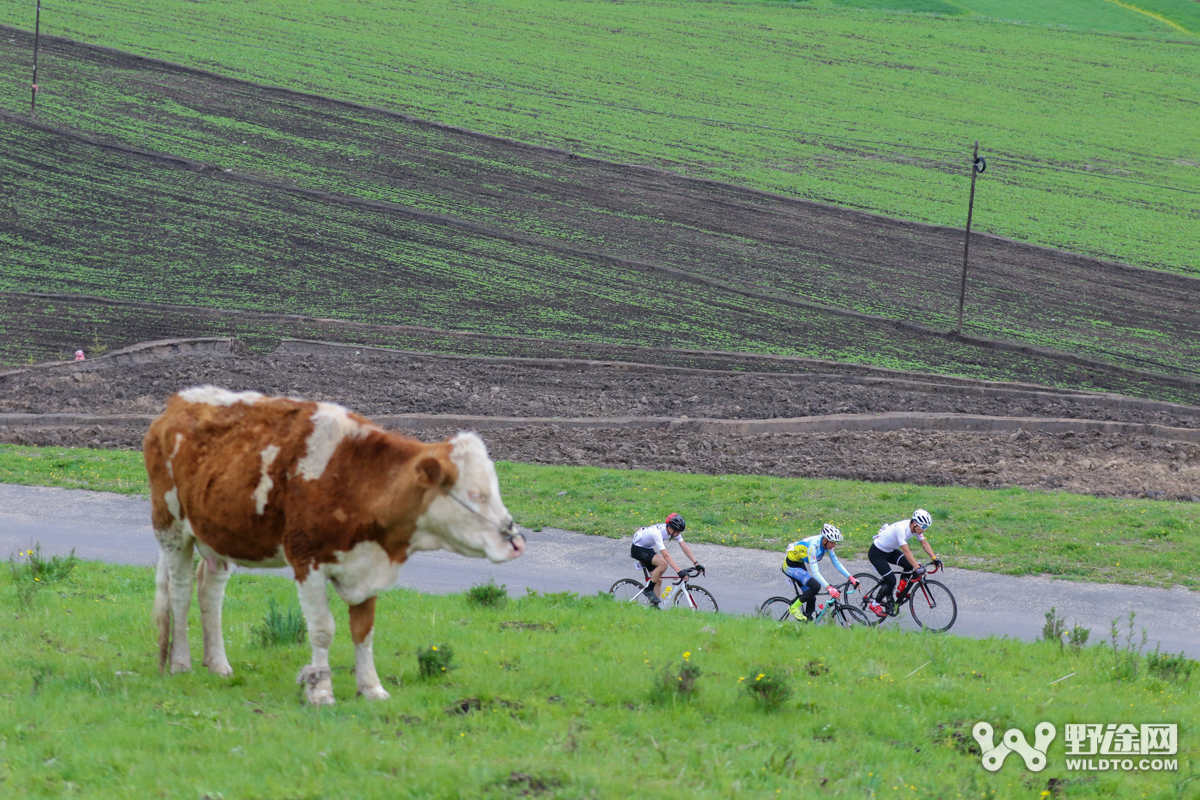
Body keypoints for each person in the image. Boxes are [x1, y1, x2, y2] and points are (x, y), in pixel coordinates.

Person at [867, 508, 942, 618]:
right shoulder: (901, 529)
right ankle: (875, 604)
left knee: (908, 565)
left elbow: (924, 543)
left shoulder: (916, 528)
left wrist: (934, 558)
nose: (924, 530)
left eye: (926, 527)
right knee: (891, 580)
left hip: (889, 551)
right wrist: (917, 567)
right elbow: (906, 551)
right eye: (924, 527)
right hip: (877, 554)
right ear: (915, 523)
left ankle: (899, 591)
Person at [781, 523, 857, 621]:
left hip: (799, 564)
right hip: (790, 566)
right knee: (815, 586)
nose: (834, 545)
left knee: (811, 597)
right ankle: (793, 608)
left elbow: (836, 563)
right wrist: (829, 588)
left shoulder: (827, 545)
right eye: (833, 542)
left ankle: (807, 623)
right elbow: (815, 571)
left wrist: (851, 578)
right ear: (825, 540)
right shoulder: (813, 546)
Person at [630, 513, 703, 606]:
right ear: (670, 527)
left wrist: (696, 563)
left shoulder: (672, 530)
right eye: (677, 531)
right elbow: (666, 555)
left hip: (647, 548)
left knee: (658, 581)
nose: (678, 534)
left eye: (679, 532)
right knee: (663, 563)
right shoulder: (657, 533)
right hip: (638, 549)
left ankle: (654, 608)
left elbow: (684, 547)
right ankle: (648, 590)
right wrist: (679, 571)